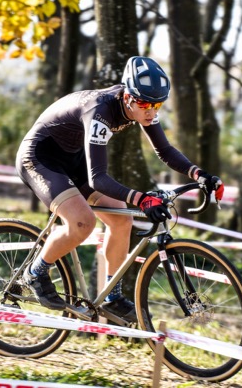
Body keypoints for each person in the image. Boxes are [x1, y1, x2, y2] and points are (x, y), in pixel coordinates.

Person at [15, 56, 224, 323]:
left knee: (121, 218)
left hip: (72, 159)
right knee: (82, 222)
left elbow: (165, 150)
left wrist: (200, 174)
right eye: (146, 104)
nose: (151, 111)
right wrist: (142, 199)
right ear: (127, 96)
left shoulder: (140, 105)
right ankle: (35, 273)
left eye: (157, 105)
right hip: (40, 158)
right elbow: (98, 178)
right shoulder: (99, 111)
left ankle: (112, 296)